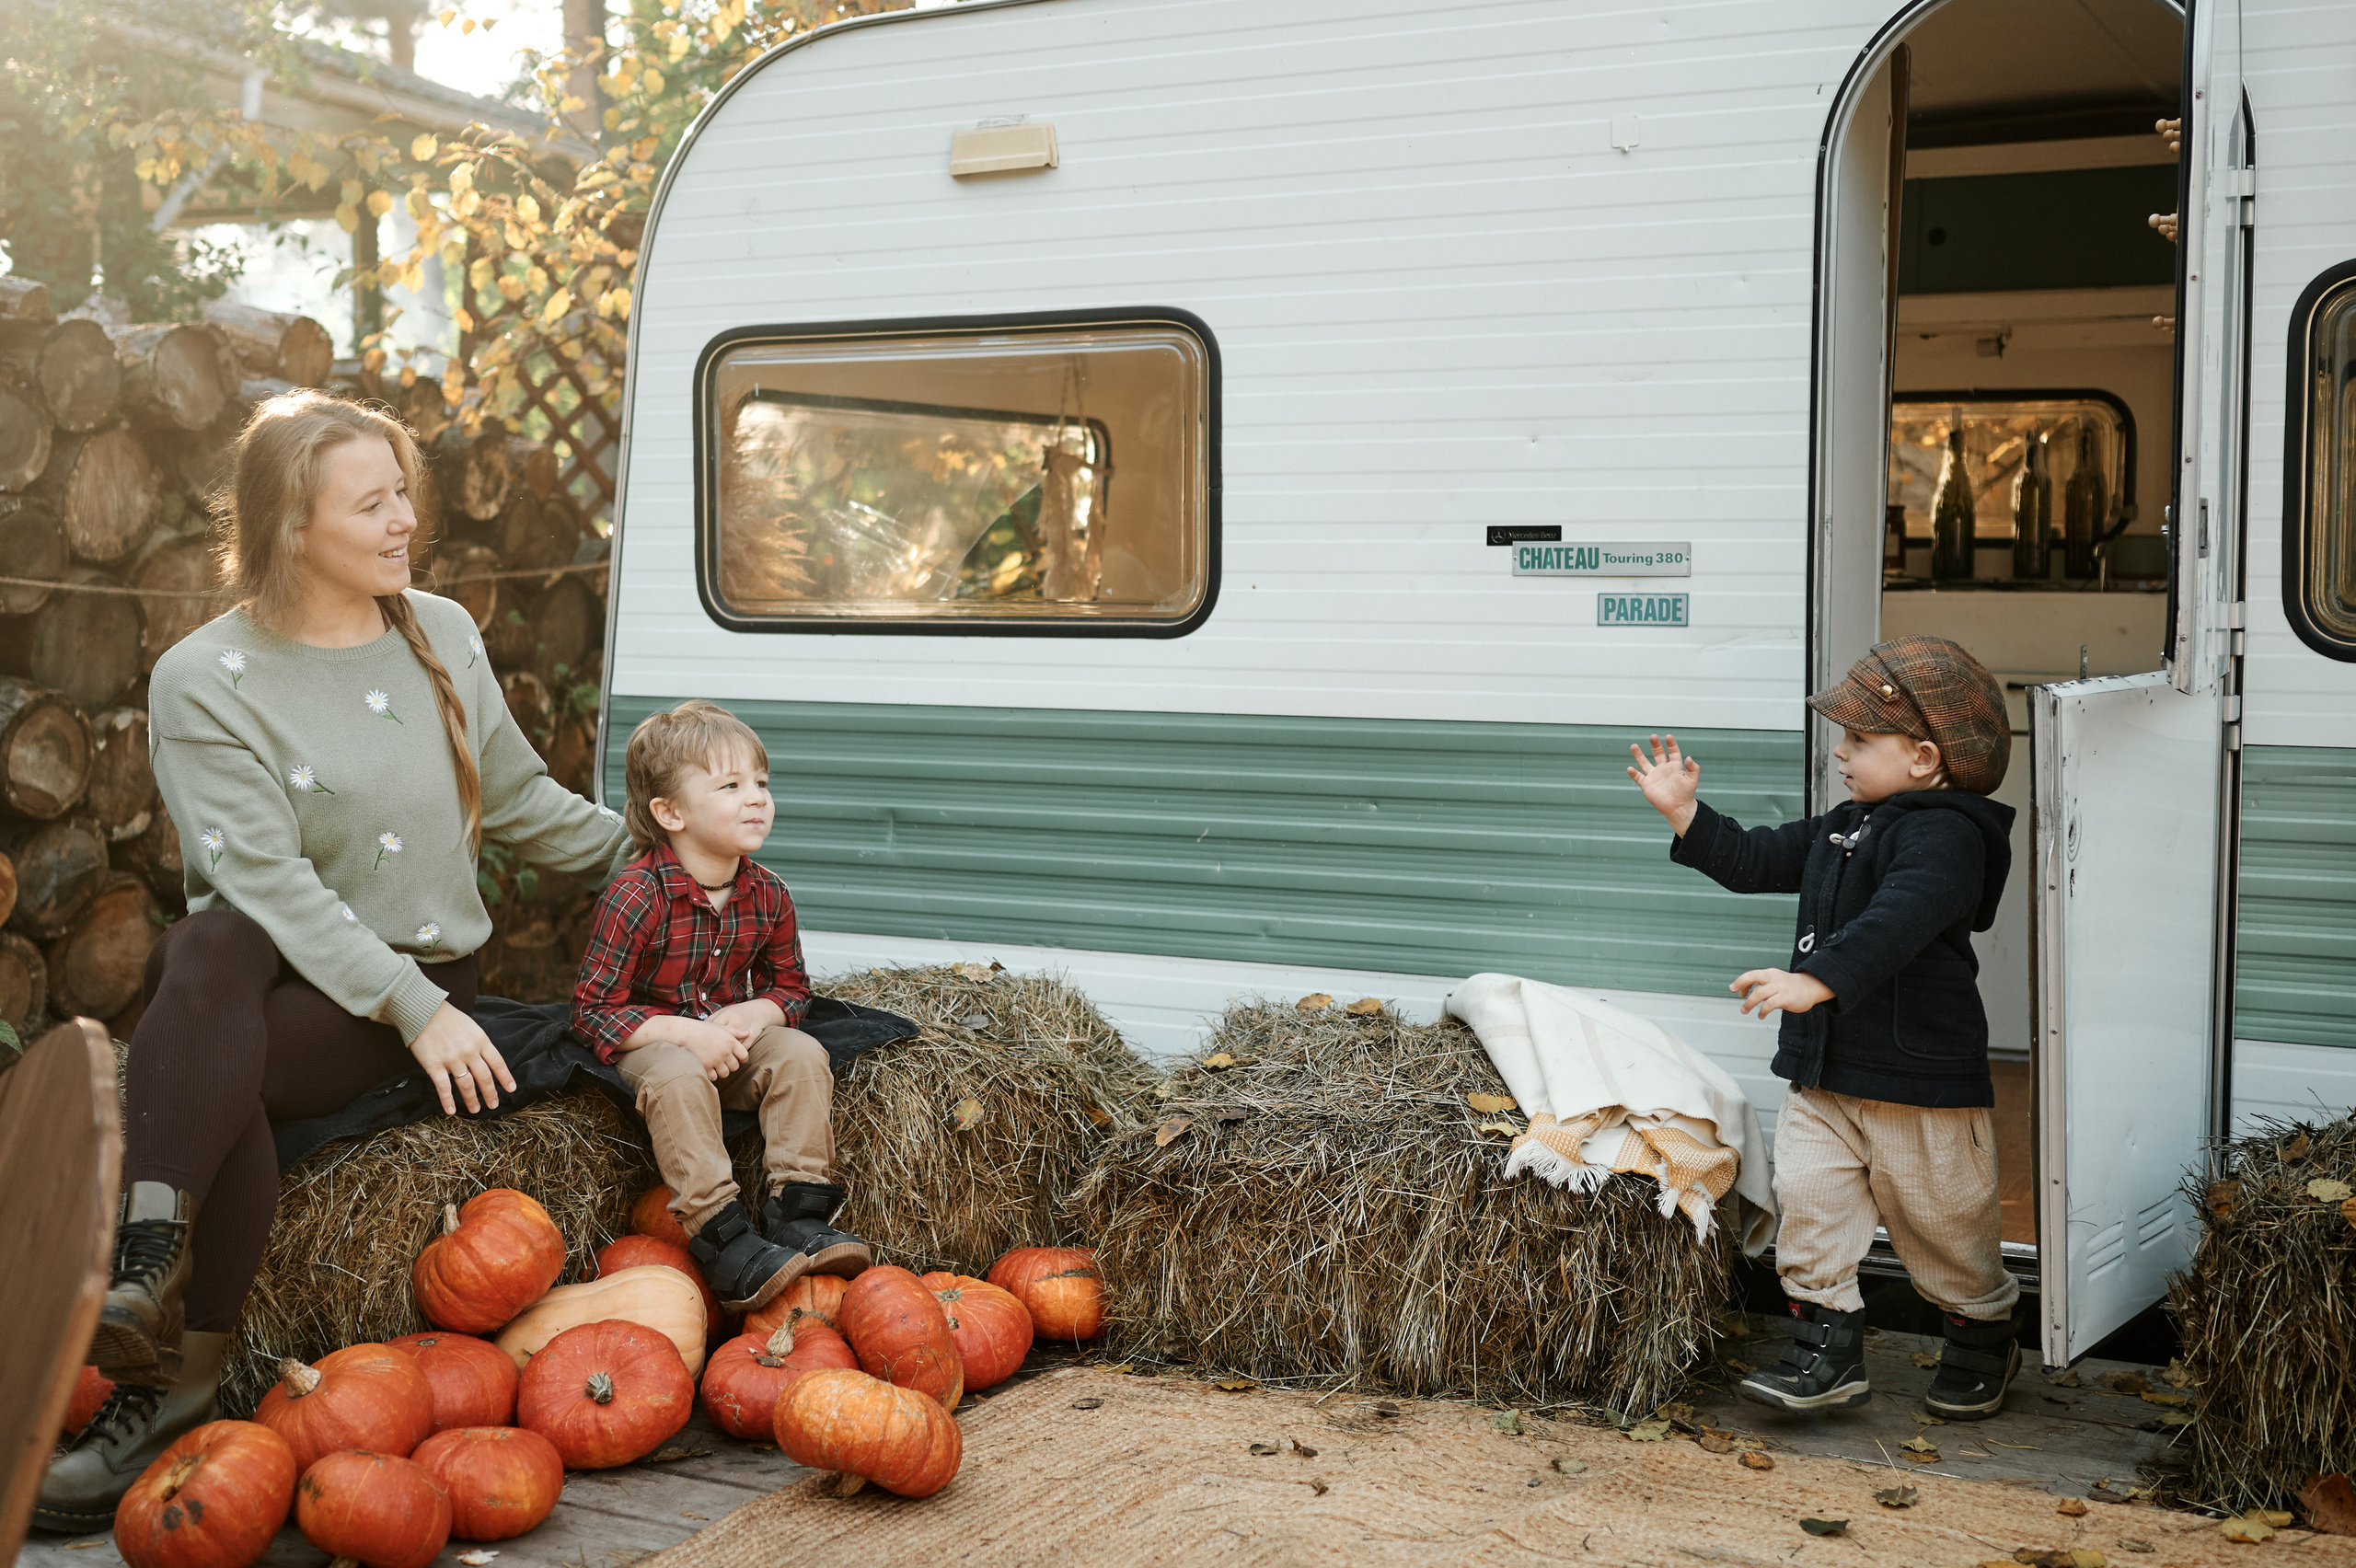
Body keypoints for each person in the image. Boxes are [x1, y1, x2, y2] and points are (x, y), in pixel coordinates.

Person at [39, 393, 635, 1531]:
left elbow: (517, 803)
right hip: (288, 974)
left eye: (402, 490)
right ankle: (163, 1320)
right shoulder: (205, 679)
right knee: (210, 940)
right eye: (372, 503)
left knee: (207, 1018)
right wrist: (414, 1010)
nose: (406, 519)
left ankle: (155, 1344)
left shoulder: (441, 632)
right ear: (286, 528)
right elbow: (262, 882)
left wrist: (663, 850)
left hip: (401, 983)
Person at [1627, 635, 2022, 1421]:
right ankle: (1827, 1345)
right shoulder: (1849, 825)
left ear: (1925, 757)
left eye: (1859, 740)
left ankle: (1983, 1336)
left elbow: (1898, 920)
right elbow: (1755, 860)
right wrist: (1684, 812)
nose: (1840, 754)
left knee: (1944, 1225)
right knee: (1807, 1203)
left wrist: (1815, 980)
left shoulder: (1949, 837)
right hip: (1825, 1074)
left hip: (1919, 1081)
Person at [572, 699, 871, 1313]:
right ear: (671, 812)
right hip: (648, 1048)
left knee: (800, 1052)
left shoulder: (768, 894)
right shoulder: (637, 896)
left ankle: (799, 1213)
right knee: (677, 1074)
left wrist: (759, 1014)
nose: (757, 797)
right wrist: (682, 1034)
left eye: (761, 783)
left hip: (729, 1040)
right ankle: (722, 1235)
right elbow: (593, 1010)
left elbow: (791, 987)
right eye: (731, 786)